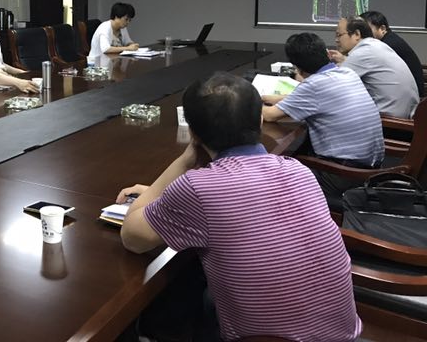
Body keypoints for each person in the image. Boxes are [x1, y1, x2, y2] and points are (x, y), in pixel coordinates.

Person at [117, 73, 361, 342]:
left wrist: (181, 166)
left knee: (179, 298)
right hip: (342, 334)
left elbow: (132, 237)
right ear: (260, 121)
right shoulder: (298, 171)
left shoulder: (199, 189)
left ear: (193, 134)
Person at [262, 32, 384, 210]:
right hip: (371, 168)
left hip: (343, 175)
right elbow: (309, 99)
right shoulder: (346, 72)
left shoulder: (313, 86)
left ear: (297, 68)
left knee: (272, 178)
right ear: (327, 53)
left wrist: (250, 99)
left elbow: (270, 116)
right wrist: (269, 97)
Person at [329, 16, 419, 118]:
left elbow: (333, 85)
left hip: (390, 121)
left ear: (357, 34)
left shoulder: (363, 52)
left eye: (339, 35)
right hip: (407, 115)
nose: (336, 40)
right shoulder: (376, 45)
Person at [361, 10, 424, 97]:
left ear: (382, 29)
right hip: (408, 92)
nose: (362, 34)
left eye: (367, 30)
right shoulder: (388, 39)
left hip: (411, 95)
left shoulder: (387, 45)